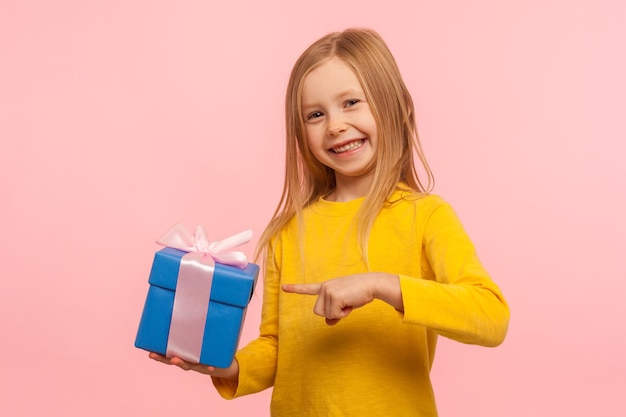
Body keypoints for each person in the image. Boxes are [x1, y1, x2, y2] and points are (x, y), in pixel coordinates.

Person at [150, 28, 510, 416]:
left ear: (400, 107)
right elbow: (277, 346)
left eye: (352, 102)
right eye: (315, 114)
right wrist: (229, 366)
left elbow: (490, 317)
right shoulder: (289, 231)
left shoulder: (425, 216)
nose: (335, 125)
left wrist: (381, 285)